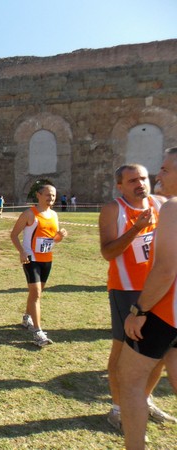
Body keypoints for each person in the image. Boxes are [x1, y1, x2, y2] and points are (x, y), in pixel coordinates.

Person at [98, 163, 174, 432]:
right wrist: (135, 230)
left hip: (159, 289)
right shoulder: (113, 210)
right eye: (132, 180)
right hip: (126, 290)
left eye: (143, 178)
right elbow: (108, 252)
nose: (140, 183)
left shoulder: (163, 204)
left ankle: (143, 400)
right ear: (120, 186)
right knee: (122, 351)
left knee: (162, 352)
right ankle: (118, 408)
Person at [118, 148, 177, 450]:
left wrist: (139, 309)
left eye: (165, 169)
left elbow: (166, 269)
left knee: (128, 384)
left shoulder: (172, 208)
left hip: (166, 313)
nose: (159, 175)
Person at [10, 184, 67, 346]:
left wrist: (59, 237)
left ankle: (27, 318)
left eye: (54, 196)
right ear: (39, 195)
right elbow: (13, 235)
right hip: (31, 259)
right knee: (36, 294)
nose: (52, 198)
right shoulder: (29, 214)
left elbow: (52, 240)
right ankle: (38, 331)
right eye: (48, 195)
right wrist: (21, 252)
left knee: (37, 293)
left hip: (47, 259)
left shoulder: (54, 215)